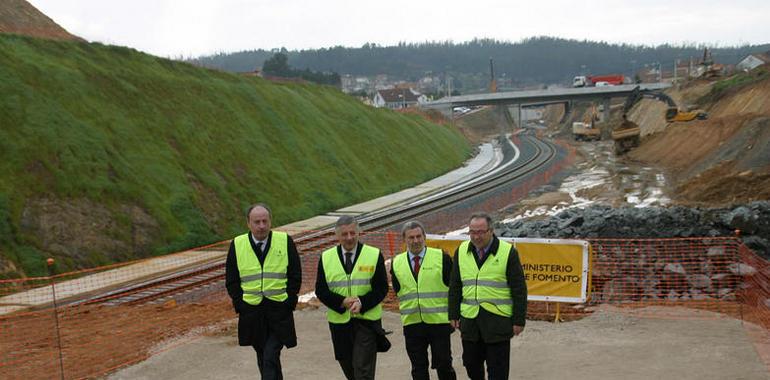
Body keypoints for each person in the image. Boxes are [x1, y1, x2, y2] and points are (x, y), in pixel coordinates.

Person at [225, 203, 302, 380]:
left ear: (270, 222)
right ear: (248, 223)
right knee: (264, 357)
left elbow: (295, 274)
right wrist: (240, 304)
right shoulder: (237, 245)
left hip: (279, 311)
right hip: (252, 312)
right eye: (257, 222)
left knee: (270, 355)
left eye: (264, 221)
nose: (261, 226)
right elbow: (232, 279)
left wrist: (290, 301)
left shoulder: (284, 241)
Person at [448, 212, 527, 380]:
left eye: (480, 232)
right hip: (470, 322)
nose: (476, 237)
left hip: (498, 322)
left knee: (498, 371)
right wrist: (453, 314)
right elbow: (455, 285)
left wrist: (519, 320)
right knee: (470, 365)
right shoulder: (461, 251)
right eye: (472, 232)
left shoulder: (507, 252)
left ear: (491, 231)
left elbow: (519, 289)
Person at [315, 215, 389, 380]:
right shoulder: (326, 258)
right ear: (337, 235)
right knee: (350, 370)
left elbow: (381, 288)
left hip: (366, 322)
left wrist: (362, 302)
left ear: (358, 232)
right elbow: (320, 290)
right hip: (339, 323)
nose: (349, 238)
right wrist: (341, 301)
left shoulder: (374, 254)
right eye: (344, 234)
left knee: (363, 371)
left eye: (352, 233)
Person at [390, 220, 457, 380]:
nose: (415, 241)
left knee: (444, 364)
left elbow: (454, 289)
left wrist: (455, 315)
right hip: (412, 324)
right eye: (411, 238)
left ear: (424, 237)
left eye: (419, 236)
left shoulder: (442, 258)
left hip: (439, 323)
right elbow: (399, 289)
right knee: (418, 368)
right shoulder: (397, 263)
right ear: (404, 240)